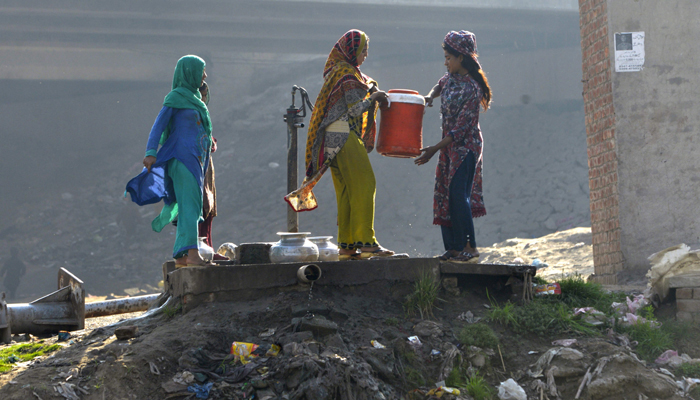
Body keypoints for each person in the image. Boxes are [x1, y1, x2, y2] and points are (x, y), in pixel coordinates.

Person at [285, 29, 395, 260]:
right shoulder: (346, 74)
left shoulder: (341, 72)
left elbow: (363, 85)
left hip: (330, 140)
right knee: (366, 184)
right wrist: (373, 98)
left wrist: (370, 89)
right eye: (362, 50)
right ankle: (367, 243)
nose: (365, 55)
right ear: (351, 50)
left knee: (346, 190)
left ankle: (346, 246)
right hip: (344, 135)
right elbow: (354, 109)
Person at [126, 55, 213, 267]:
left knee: (188, 206)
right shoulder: (176, 98)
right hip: (182, 158)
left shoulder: (195, 99)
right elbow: (158, 126)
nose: (205, 75)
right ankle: (192, 254)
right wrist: (150, 152)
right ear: (189, 72)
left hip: (195, 160)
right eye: (201, 71)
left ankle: (182, 255)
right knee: (191, 206)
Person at [415, 30, 492, 263]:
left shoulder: (472, 89)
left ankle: (470, 246)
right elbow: (439, 85)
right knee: (445, 194)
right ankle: (454, 248)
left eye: (449, 57)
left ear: (461, 57)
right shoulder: (450, 78)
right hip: (449, 146)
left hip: (466, 147)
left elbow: (459, 131)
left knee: (458, 194)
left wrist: (433, 150)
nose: (446, 62)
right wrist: (429, 97)